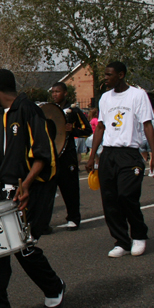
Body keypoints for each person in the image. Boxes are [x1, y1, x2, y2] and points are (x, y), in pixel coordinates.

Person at [0, 69, 65, 308]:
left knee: (24, 246)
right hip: (6, 188)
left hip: (29, 190)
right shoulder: (1, 117)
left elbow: (42, 155)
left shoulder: (28, 110)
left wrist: (28, 184)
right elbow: (5, 154)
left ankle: (54, 287)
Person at [86, 62, 154, 258]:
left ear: (121, 75)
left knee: (127, 196)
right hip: (108, 154)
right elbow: (100, 127)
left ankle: (139, 235)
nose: (106, 78)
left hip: (130, 154)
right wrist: (92, 156)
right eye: (105, 75)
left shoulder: (137, 95)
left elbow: (147, 125)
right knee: (110, 201)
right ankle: (122, 241)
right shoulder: (105, 98)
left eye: (109, 75)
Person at [50, 82, 93, 230]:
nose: (55, 94)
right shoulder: (51, 110)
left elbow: (87, 130)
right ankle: (44, 222)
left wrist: (72, 130)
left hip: (68, 154)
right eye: (53, 92)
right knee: (48, 190)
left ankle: (73, 218)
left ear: (65, 93)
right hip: (53, 154)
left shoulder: (73, 111)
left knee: (70, 189)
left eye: (58, 91)